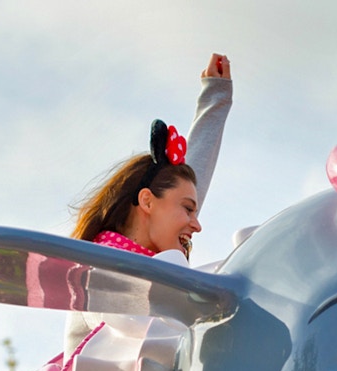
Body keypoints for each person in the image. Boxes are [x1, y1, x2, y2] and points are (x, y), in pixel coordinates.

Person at [63, 53, 232, 352]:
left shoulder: (153, 265)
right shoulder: (97, 269)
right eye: (188, 210)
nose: (197, 224)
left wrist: (215, 96)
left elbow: (190, 180)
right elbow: (137, 324)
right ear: (147, 202)